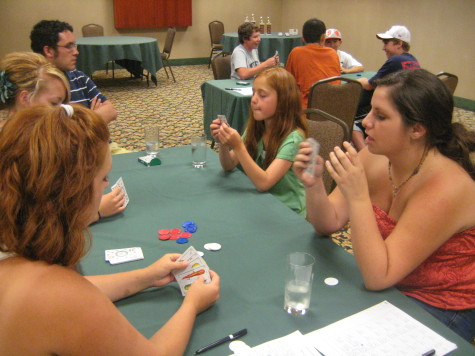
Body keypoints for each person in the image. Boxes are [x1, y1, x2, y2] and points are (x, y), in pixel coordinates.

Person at [0, 104, 220, 354]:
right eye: (103, 178)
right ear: (74, 193)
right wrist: (192, 305)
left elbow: (72, 290)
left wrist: (147, 276)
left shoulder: (15, 259)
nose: (106, 186)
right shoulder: (64, 298)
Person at [293, 69, 475, 342]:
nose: (365, 122)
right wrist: (315, 184)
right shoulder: (376, 156)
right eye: (370, 112)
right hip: (390, 284)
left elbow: (379, 277)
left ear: (417, 129)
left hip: (441, 304)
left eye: (381, 116)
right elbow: (327, 223)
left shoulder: (447, 187)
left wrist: (358, 197)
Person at [0, 51, 126, 221]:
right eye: (54, 103)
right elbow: (28, 223)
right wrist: (93, 212)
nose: (63, 112)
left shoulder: (49, 141)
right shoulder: (15, 149)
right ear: (25, 98)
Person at [211, 67, 307, 216]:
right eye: (253, 92)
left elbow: (264, 183)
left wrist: (238, 146)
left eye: (262, 95)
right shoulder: (257, 127)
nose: (254, 99)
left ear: (283, 101)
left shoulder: (294, 139)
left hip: (288, 210)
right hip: (263, 201)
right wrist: (223, 142)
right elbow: (228, 165)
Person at [353, 25, 420, 151]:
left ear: (399, 43)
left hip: (394, 109)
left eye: (386, 43)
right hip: (407, 109)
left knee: (350, 121)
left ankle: (363, 156)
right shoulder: (413, 60)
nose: (383, 48)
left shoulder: (395, 60)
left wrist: (361, 81)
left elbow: (369, 85)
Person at [285, 18, 340, 109]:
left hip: (307, 112)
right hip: (333, 110)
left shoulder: (296, 52)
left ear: (303, 38)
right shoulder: (333, 53)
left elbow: (288, 83)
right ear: (323, 37)